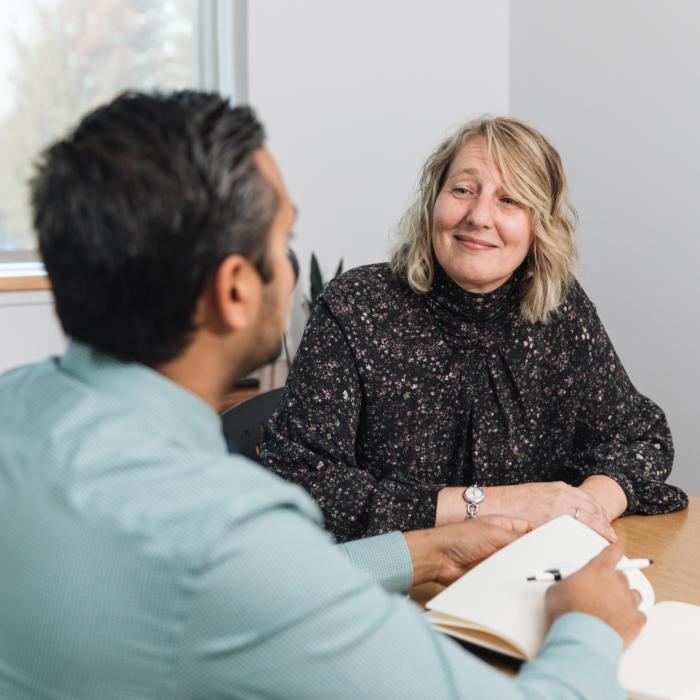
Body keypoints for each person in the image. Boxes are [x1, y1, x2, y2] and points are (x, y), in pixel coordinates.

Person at [0, 92, 645, 699]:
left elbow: (260, 587)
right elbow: (255, 580)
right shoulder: (227, 535)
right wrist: (590, 623)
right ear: (235, 290)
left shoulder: (15, 406)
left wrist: (417, 550)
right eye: (282, 244)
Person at [260, 116, 688, 544]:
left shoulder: (559, 308)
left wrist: (584, 508)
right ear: (434, 199)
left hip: (527, 577)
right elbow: (300, 485)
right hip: (395, 584)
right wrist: (504, 504)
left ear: (539, 224)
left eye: (510, 200)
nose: (480, 216)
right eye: (463, 190)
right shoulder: (356, 305)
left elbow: (640, 437)